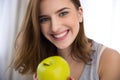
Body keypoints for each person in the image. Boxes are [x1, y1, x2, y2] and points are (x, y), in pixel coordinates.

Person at [12, 0, 120, 80]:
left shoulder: (110, 60)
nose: (54, 27)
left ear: (80, 14)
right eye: (44, 19)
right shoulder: (40, 62)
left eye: (63, 13)